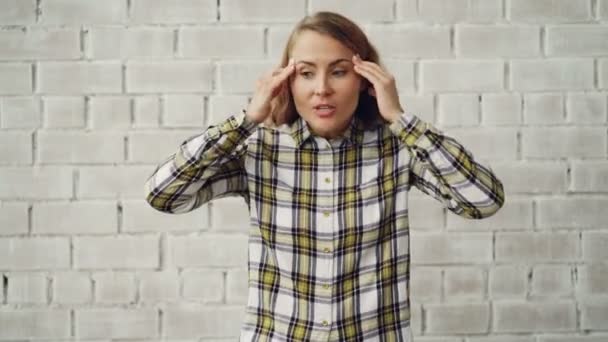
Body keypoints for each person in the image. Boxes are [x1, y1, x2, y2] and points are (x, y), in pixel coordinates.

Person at [145, 11, 505, 342]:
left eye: (338, 71)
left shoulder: (397, 149)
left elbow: (483, 201)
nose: (321, 88)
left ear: (365, 78)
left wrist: (399, 118)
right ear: (287, 81)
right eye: (305, 73)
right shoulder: (260, 149)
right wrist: (247, 120)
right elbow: (164, 194)